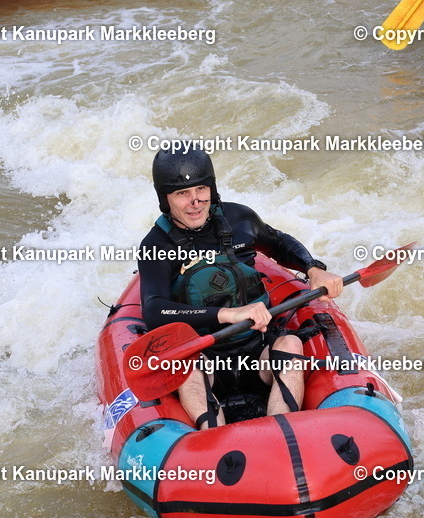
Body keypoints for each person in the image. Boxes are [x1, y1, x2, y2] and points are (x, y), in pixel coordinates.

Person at [138, 149, 344, 429]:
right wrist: (227, 314)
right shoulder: (156, 246)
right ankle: (213, 439)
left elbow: (280, 243)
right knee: (185, 368)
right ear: (165, 198)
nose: (196, 201)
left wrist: (312, 267)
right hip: (204, 356)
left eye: (201, 188)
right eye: (182, 193)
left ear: (212, 187)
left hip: (257, 350)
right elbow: (153, 309)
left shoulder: (238, 219)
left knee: (291, 343)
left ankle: (282, 436)